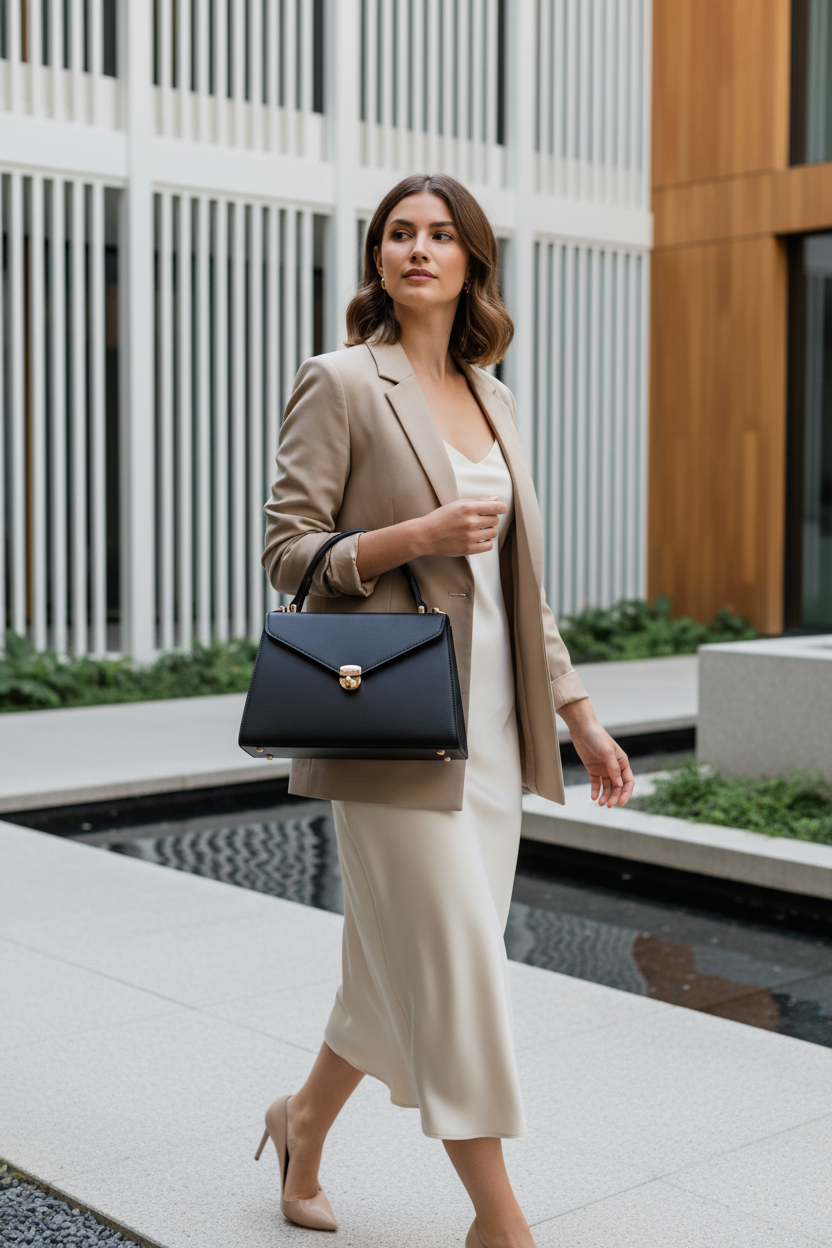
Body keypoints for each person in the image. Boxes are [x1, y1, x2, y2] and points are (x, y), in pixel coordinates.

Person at [257, 173, 634, 1248]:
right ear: (377, 256)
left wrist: (578, 710)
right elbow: (286, 552)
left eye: (439, 234)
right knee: (458, 960)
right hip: (392, 721)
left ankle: (300, 1125)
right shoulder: (338, 382)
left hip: (494, 732)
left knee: (393, 970)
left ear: (471, 257)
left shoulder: (496, 394)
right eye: (397, 233)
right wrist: (414, 536)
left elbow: (525, 587)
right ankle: (499, 1224)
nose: (417, 248)